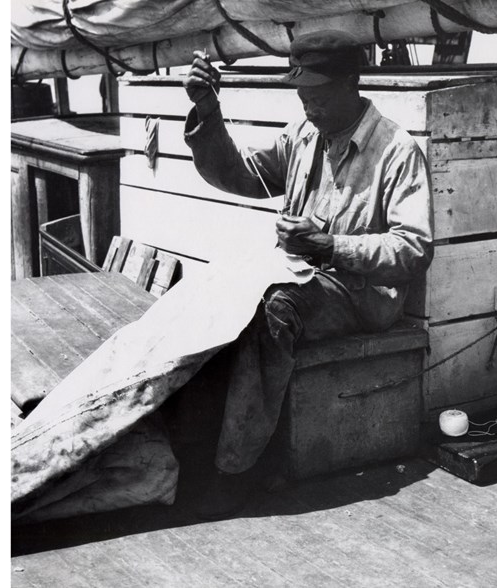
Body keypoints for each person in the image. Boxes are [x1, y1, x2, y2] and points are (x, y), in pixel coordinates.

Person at [182, 30, 433, 519]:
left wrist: (330, 245)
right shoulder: (303, 135)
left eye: (318, 96)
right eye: (302, 96)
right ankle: (198, 446)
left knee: (274, 311)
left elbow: (414, 248)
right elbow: (236, 175)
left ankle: (236, 471)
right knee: (222, 297)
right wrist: (208, 113)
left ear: (353, 82)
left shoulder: (397, 152)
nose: (309, 107)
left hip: (360, 295)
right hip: (301, 277)